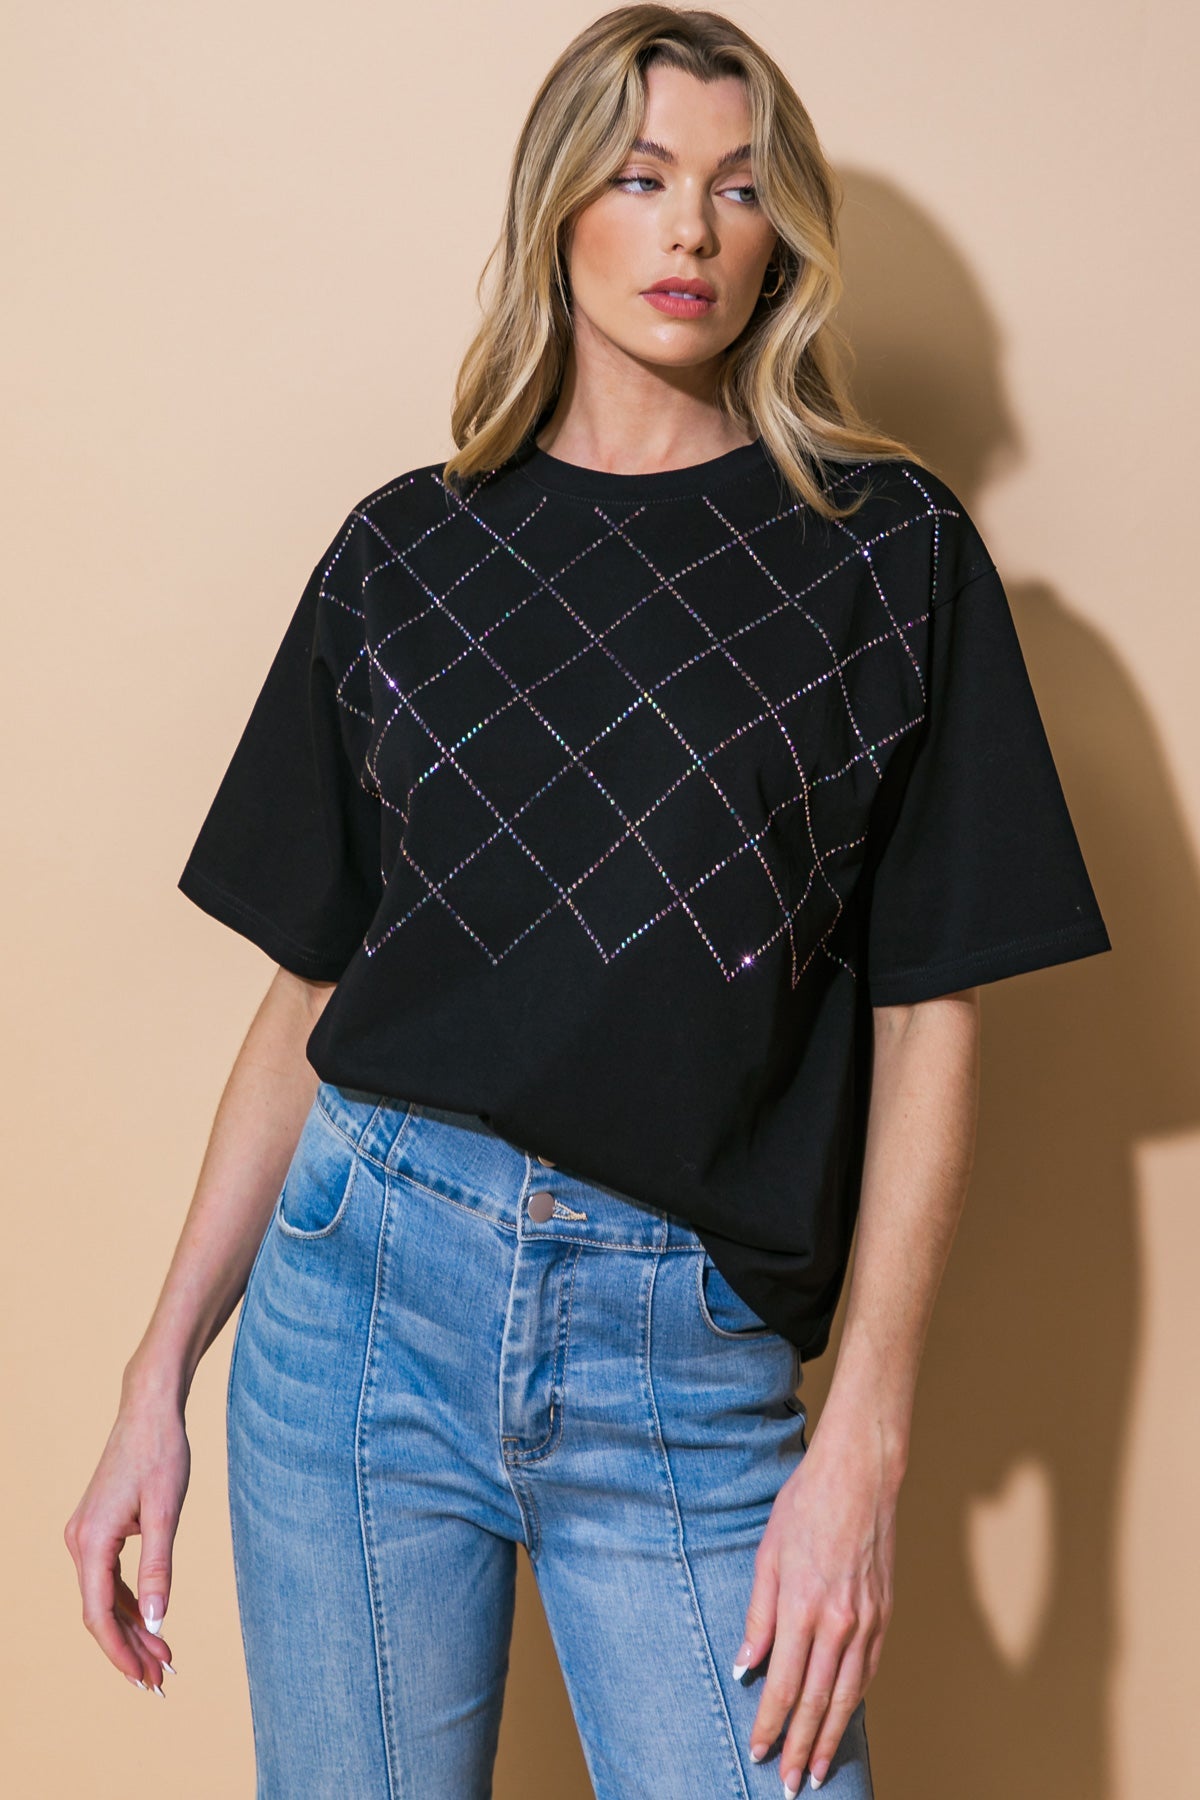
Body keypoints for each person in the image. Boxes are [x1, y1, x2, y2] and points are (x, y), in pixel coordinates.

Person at [64, 7, 1112, 1796]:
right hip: (357, 1314)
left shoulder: (887, 553)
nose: (691, 232)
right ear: (561, 209)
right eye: (640, 179)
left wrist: (860, 1441)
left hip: (680, 1361)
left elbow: (934, 1011)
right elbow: (317, 997)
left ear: (784, 234)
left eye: (738, 186)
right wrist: (154, 1374)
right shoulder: (407, 551)